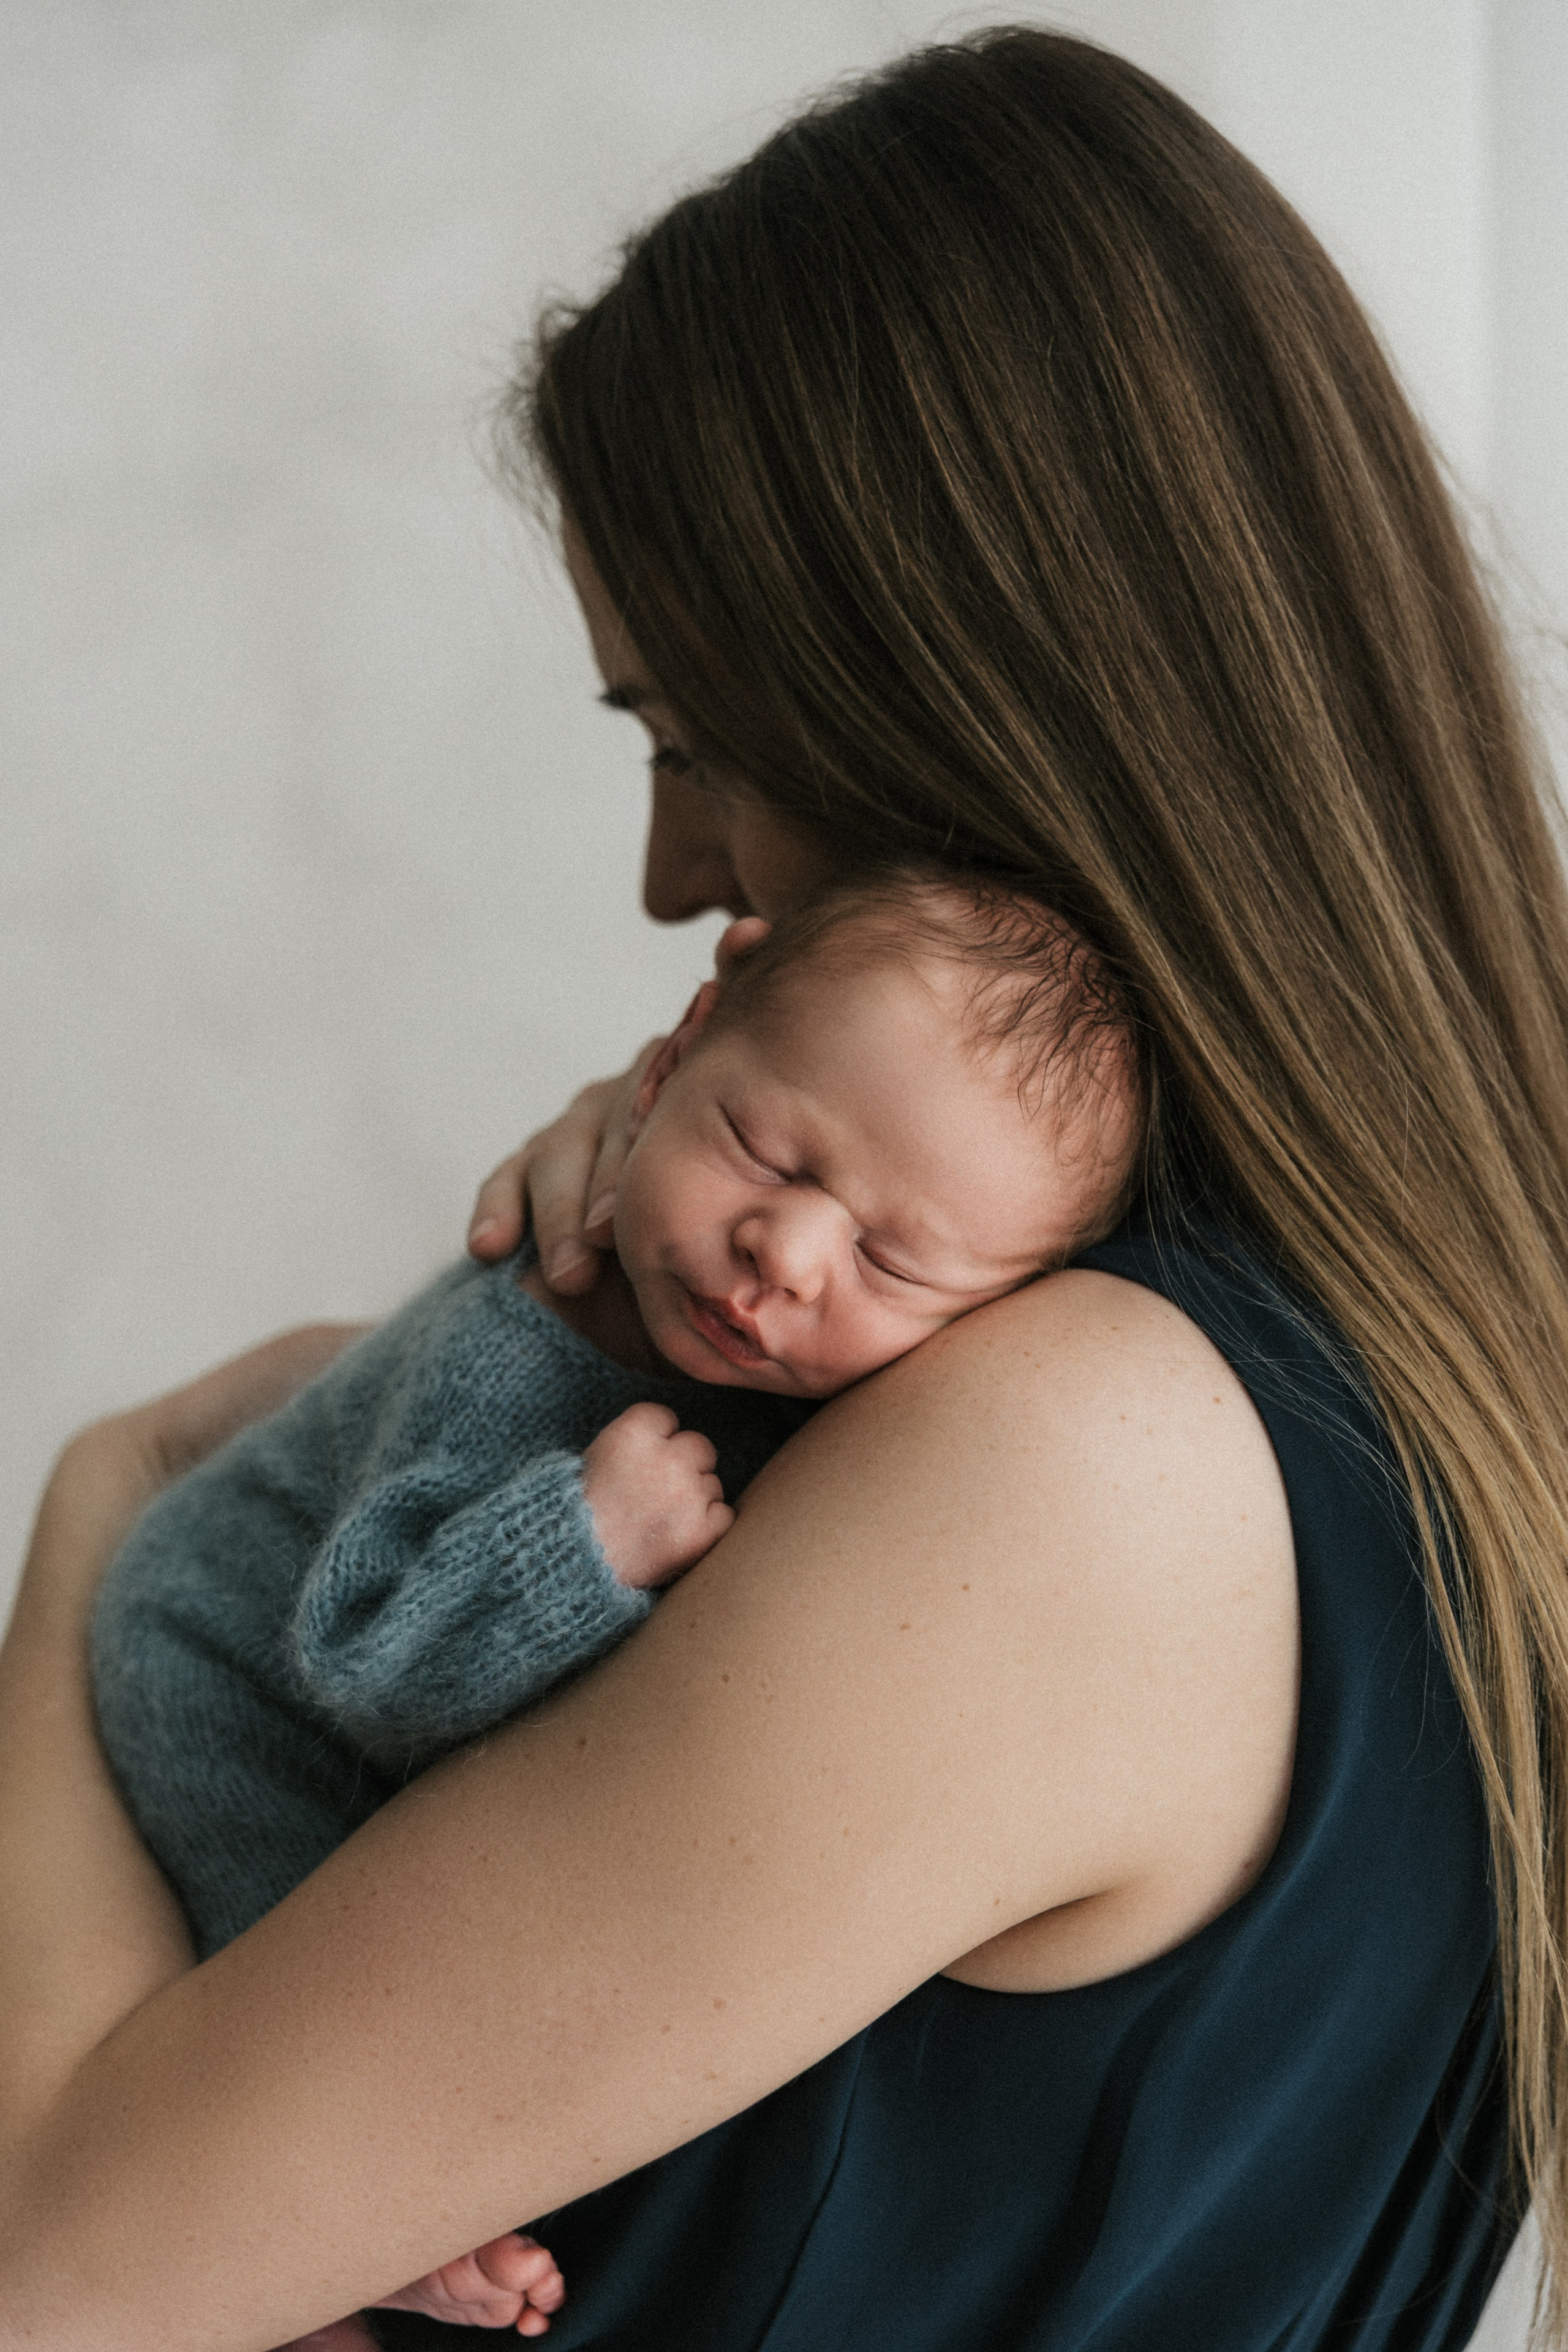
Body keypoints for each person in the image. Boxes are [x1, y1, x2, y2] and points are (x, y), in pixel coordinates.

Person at [2, 24, 1565, 2350]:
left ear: (972, 693)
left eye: (694, 743)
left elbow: (53, 2260)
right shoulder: (1353, 1397)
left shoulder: (1080, 1472)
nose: (667, 875)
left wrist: (101, 1503)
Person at [89, 869, 1136, 2340]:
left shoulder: (845, 1390)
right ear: (678, 1043)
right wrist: (575, 1540)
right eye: (765, 1152)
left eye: (892, 1265)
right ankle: (330, 2223)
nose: (788, 1254)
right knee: (305, 1952)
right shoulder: (533, 1339)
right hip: (225, 1660)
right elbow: (366, 1660)